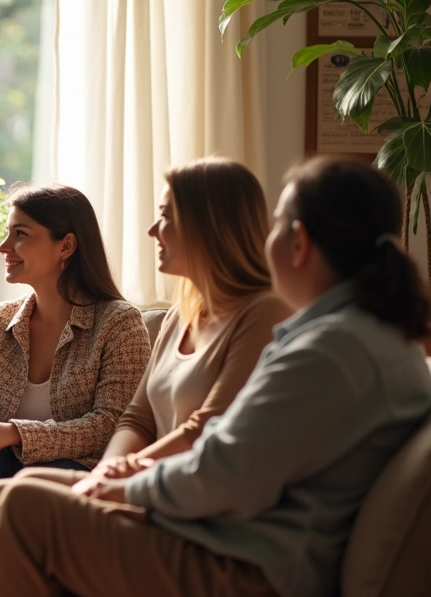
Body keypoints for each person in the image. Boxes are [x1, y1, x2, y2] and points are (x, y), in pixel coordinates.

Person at [0, 156, 431, 597]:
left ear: (298, 242)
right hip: (224, 536)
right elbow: (166, 430)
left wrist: (120, 488)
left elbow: (223, 471)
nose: (267, 238)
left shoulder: (329, 350)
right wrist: (117, 478)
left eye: (278, 224)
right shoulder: (347, 335)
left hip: (251, 565)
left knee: (22, 507)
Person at [0, 184, 150, 532]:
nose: (4, 247)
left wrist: (12, 434)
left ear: (65, 245)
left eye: (20, 235)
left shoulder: (119, 322)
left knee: (27, 482)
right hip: (3, 464)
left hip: (77, 468)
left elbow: (110, 424)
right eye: (8, 234)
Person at [73, 158, 290, 494]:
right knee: (5, 490)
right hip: (141, 482)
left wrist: (123, 476)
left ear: (209, 226)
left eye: (166, 216)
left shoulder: (265, 313)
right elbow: (137, 418)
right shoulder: (180, 315)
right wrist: (104, 472)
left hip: (186, 500)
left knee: (19, 497)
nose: (153, 230)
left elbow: (207, 427)